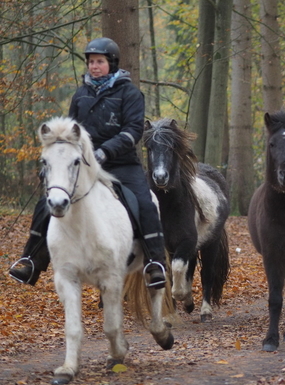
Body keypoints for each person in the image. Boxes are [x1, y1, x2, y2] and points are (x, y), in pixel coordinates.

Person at [9, 37, 167, 289]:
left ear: (112, 64)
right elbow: (68, 135)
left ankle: (154, 263)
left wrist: (105, 152)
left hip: (122, 164)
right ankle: (31, 260)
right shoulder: (80, 94)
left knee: (144, 202)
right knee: (46, 202)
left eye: (100, 62)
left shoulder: (130, 93)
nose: (94, 66)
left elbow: (133, 131)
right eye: (91, 62)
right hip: (83, 166)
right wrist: (54, 164)